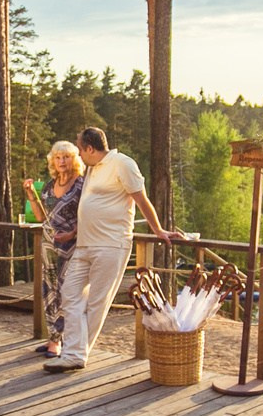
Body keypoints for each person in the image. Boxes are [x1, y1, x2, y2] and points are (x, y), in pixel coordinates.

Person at [45, 126, 175, 372]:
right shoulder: (92, 169)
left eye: (80, 150)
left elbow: (142, 200)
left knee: (97, 303)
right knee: (69, 294)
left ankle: (74, 354)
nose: (79, 156)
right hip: (84, 244)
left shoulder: (122, 164)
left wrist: (158, 230)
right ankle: (75, 352)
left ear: (90, 149)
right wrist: (73, 233)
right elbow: (89, 205)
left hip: (111, 244)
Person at [22, 140, 86, 358]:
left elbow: (89, 215)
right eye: (58, 157)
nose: (61, 161)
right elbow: (41, 217)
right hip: (49, 245)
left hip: (71, 247)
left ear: (74, 160)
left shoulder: (82, 184)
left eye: (66, 157)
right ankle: (53, 337)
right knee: (49, 292)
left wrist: (72, 233)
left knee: (66, 292)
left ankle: (59, 341)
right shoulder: (50, 185)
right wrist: (31, 194)